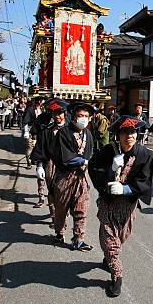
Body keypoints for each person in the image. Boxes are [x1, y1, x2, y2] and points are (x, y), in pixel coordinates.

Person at [88, 115, 153, 297]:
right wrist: (110, 170)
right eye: (125, 132)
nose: (129, 136)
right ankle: (116, 276)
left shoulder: (144, 154)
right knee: (110, 239)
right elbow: (93, 167)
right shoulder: (108, 150)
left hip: (128, 204)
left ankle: (108, 257)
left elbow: (145, 181)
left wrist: (125, 189)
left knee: (122, 236)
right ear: (118, 135)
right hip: (108, 202)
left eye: (132, 132)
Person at [51, 102, 95, 250]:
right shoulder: (63, 133)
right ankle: (59, 231)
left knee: (81, 208)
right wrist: (84, 160)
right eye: (80, 116)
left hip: (81, 177)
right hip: (64, 177)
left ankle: (79, 238)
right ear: (73, 118)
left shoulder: (88, 134)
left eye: (86, 116)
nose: (83, 119)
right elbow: (66, 157)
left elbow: (90, 152)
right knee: (61, 208)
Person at [30, 99, 66, 222]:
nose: (58, 116)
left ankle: (63, 213)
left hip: (67, 165)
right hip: (50, 163)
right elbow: (41, 147)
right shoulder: (46, 130)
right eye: (54, 113)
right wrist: (39, 165)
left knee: (64, 193)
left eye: (60, 113)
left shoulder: (71, 130)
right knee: (52, 191)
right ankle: (55, 217)